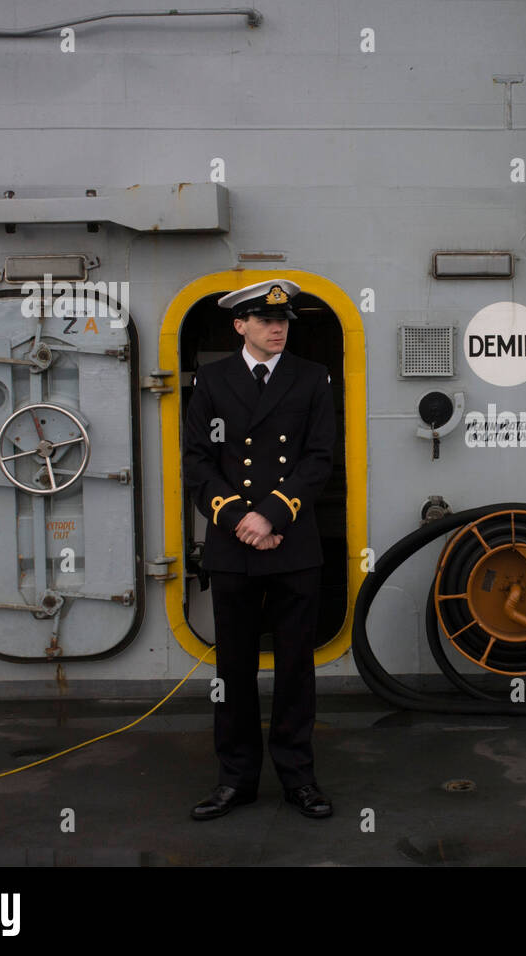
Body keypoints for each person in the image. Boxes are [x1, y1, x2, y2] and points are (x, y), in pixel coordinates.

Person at [182, 278, 337, 820]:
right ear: (239, 325)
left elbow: (319, 458)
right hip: (234, 548)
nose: (278, 327)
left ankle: (299, 779)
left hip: (292, 545)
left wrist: (271, 513)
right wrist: (236, 517)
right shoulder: (212, 381)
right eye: (267, 320)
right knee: (233, 671)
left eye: (285, 320)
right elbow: (197, 463)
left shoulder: (312, 378)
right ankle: (236, 780)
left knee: (296, 669)